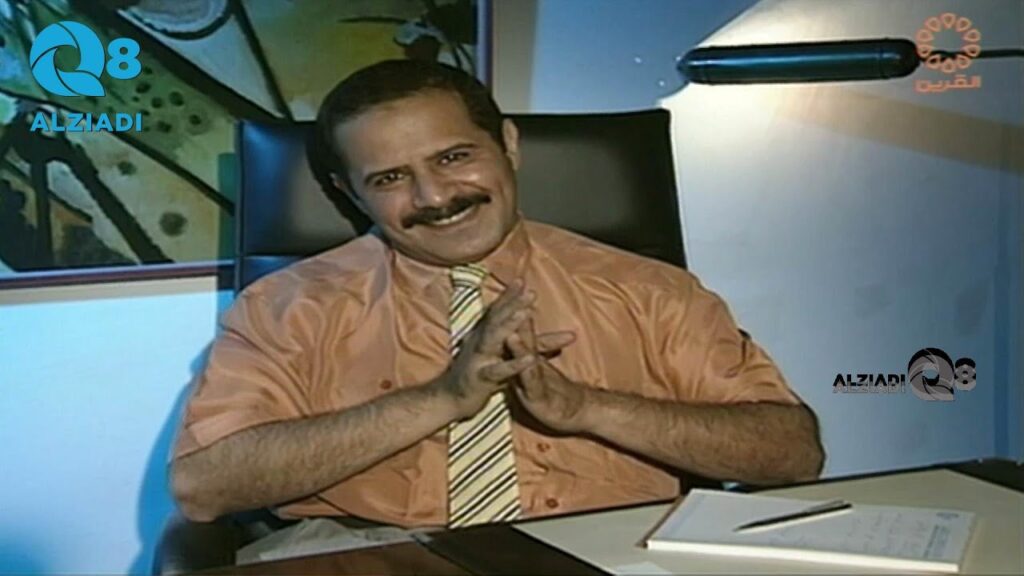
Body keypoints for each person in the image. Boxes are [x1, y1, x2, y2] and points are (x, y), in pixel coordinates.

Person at [171, 60, 824, 536]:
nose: (434, 197)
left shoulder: (649, 291)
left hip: (607, 548)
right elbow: (204, 488)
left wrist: (587, 407)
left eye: (454, 157)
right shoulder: (286, 306)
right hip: (370, 554)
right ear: (349, 192)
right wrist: (441, 398)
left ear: (508, 145)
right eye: (391, 178)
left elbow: (792, 453)